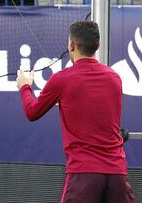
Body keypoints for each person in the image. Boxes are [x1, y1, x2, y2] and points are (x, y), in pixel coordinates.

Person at [16, 21, 135, 203]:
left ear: (72, 45)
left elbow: (32, 112)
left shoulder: (61, 79)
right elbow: (95, 110)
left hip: (84, 175)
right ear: (98, 45)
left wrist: (25, 86)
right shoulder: (114, 78)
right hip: (117, 174)